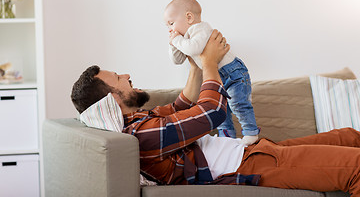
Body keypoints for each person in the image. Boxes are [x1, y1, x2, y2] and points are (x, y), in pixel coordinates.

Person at [72, 30, 360, 195]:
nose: (127, 75)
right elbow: (211, 112)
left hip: (252, 151)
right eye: (118, 78)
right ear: (112, 98)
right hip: (250, 165)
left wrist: (196, 64)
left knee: (349, 136)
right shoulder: (140, 136)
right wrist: (211, 62)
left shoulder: (139, 120)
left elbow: (181, 106)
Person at [164, 0, 259, 144]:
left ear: (189, 17)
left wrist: (177, 40)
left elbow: (194, 48)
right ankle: (226, 137)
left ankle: (251, 133)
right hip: (217, 76)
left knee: (238, 104)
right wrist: (172, 44)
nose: (170, 29)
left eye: (171, 23)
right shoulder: (185, 39)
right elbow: (177, 60)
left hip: (233, 73)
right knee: (220, 110)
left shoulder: (200, 28)